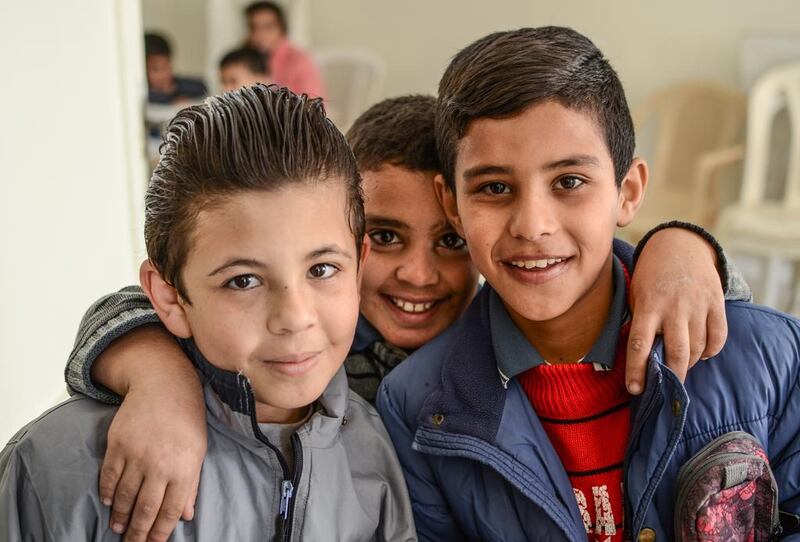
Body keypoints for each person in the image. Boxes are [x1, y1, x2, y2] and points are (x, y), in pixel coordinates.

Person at [63, 91, 746, 541]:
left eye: (450, 243)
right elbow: (145, 303)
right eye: (386, 238)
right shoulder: (302, 335)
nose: (418, 274)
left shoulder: (498, 334)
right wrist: (156, 375)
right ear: (350, 237)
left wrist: (679, 246)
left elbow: (673, 303)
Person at [376, 26, 800, 541]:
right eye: (494, 188)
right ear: (453, 207)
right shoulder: (415, 409)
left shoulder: (766, 355)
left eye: (569, 182)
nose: (532, 226)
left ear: (628, 191)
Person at [0, 85, 416, 541]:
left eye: (322, 269)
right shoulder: (57, 469)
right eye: (244, 281)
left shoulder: (374, 451)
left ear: (358, 268)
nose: (295, 317)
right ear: (170, 298)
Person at [245, 1, 325, 98]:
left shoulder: (300, 59)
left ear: (281, 27)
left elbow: (313, 101)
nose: (260, 33)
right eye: (254, 27)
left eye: (268, 27)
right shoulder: (246, 57)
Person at [144, 33, 206, 105]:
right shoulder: (142, 94)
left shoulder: (177, 84)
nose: (164, 74)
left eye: (167, 66)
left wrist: (173, 90)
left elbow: (201, 86)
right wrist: (170, 98)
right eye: (156, 69)